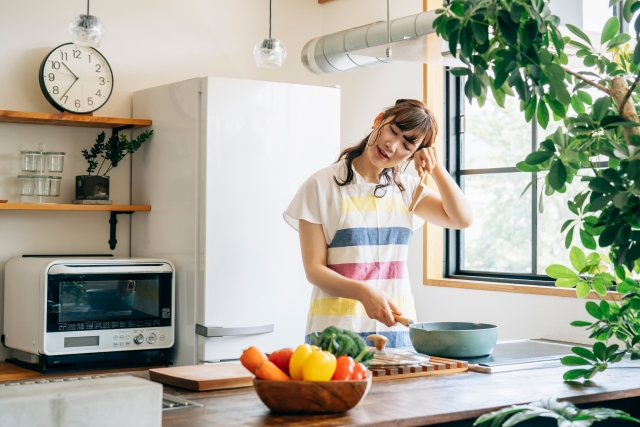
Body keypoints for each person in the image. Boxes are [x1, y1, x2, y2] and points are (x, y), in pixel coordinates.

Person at [284, 99, 473, 347]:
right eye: (393, 131)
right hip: (335, 332)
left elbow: (462, 219)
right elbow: (314, 269)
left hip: (396, 330)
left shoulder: (408, 190)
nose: (392, 145)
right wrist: (364, 293)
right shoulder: (321, 185)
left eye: (407, 145)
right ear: (378, 120)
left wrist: (435, 167)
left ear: (414, 154)